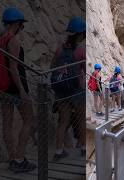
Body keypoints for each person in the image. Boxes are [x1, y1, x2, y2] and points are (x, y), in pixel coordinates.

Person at [0, 7, 36, 172]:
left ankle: (12, 158)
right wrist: (22, 90)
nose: (22, 27)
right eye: (21, 24)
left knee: (7, 122)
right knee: (29, 120)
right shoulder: (13, 40)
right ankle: (19, 159)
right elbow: (14, 68)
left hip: (3, 87)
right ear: (17, 23)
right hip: (15, 87)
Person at [50, 16, 86, 161]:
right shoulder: (80, 51)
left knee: (63, 121)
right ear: (79, 34)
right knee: (81, 120)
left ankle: (58, 151)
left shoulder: (59, 49)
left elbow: (52, 67)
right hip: (76, 91)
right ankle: (84, 148)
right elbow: (84, 69)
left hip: (61, 92)